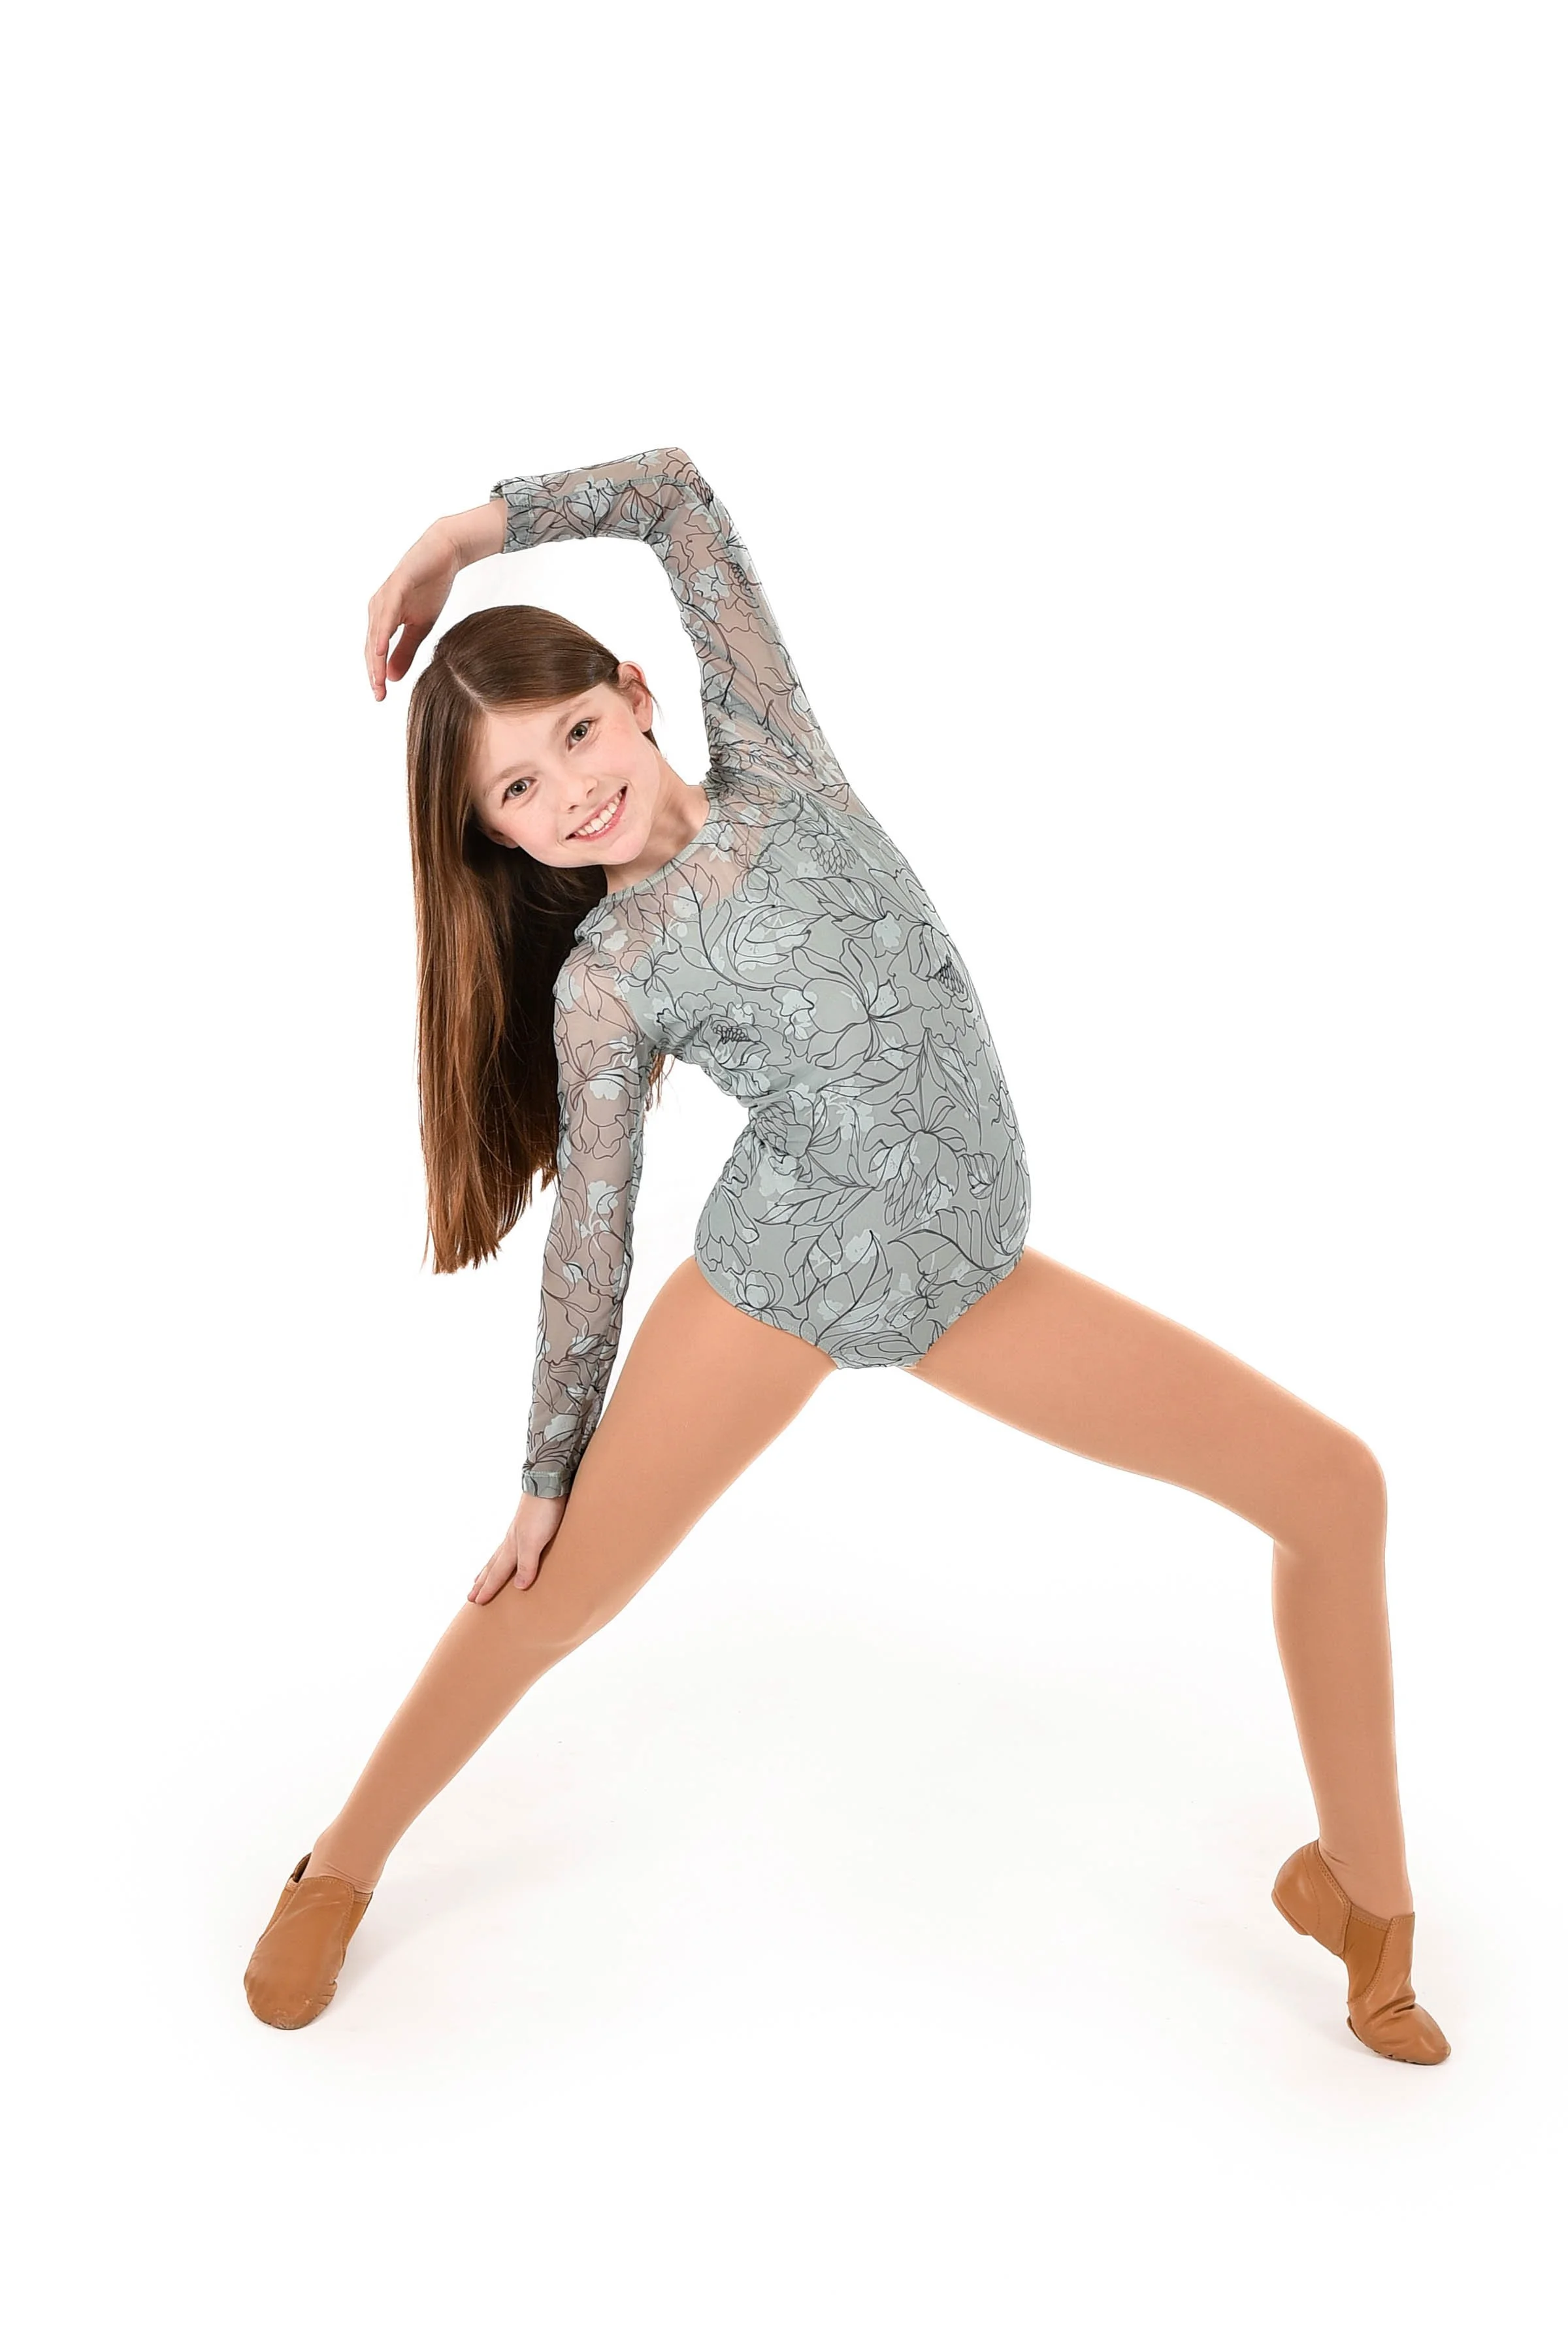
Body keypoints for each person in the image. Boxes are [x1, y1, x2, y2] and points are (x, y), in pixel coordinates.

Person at [242, 447, 1449, 2062]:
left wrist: (470, 532)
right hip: (776, 1284)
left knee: (1335, 1487)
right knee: (558, 1592)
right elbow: (590, 1235)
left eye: (574, 737)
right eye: (515, 793)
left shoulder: (776, 754)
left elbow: (674, 496)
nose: (568, 793)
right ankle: (340, 1865)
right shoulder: (606, 981)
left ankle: (1365, 1896)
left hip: (965, 1277)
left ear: (637, 689)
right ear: (495, 842)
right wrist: (548, 1467)